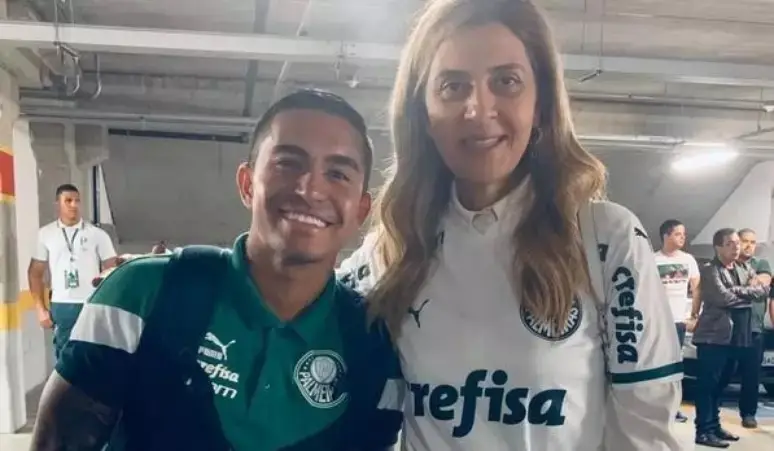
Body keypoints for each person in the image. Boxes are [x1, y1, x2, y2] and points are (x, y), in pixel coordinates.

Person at [338, 0, 682, 449]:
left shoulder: (606, 240)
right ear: (422, 113)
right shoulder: (392, 248)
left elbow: (645, 429)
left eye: (506, 81)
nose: (478, 109)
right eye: (453, 86)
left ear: (541, 105)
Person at [29, 89, 402, 451]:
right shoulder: (142, 294)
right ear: (247, 184)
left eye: (337, 173)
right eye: (288, 163)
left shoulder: (372, 339)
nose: (310, 188)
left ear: (361, 210)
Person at [692, 228, 769, 448]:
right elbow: (723, 298)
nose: (736, 248)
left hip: (735, 338)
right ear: (718, 247)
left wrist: (737, 291)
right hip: (713, 337)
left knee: (722, 383)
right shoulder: (710, 269)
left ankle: (714, 425)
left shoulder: (743, 267)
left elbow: (763, 291)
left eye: (737, 243)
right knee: (708, 385)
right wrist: (746, 293)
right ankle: (704, 430)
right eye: (730, 244)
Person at [27, 183, 118, 360]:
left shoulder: (97, 235)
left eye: (77, 201)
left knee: (93, 355)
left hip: (91, 303)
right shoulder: (46, 234)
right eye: (68, 201)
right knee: (64, 356)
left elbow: (114, 270)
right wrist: (40, 309)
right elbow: (34, 273)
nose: (74, 205)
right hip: (61, 305)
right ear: (57, 204)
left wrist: (109, 304)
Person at [654, 219, 700, 423]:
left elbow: (697, 288)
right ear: (666, 235)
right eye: (678, 234)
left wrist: (694, 315)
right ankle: (658, 405)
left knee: (675, 365)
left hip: (679, 320)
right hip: (658, 321)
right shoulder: (653, 259)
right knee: (657, 364)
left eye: (684, 234)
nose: (683, 238)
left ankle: (674, 406)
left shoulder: (688, 260)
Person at [736, 228, 772, 429]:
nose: (749, 245)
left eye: (752, 242)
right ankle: (712, 416)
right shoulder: (729, 264)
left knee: (752, 375)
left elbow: (763, 283)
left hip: (754, 328)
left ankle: (748, 414)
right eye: (745, 241)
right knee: (723, 373)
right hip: (730, 328)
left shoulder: (761, 264)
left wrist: (746, 284)